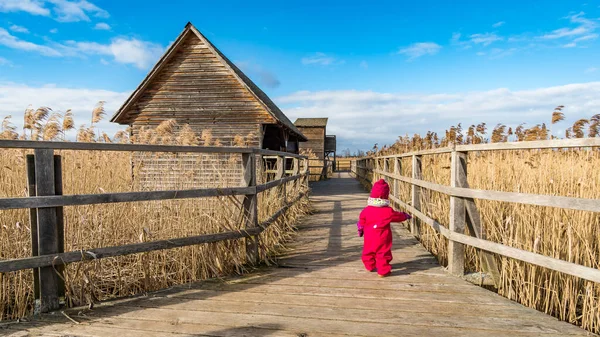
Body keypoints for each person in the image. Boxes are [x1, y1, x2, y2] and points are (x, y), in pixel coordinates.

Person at [357, 179, 412, 277]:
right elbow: (397, 216)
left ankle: (369, 265)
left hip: (369, 236)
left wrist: (361, 228)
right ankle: (383, 271)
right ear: (385, 197)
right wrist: (405, 216)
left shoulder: (366, 210)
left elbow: (362, 219)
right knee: (382, 253)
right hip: (382, 237)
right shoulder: (387, 211)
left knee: (368, 250)